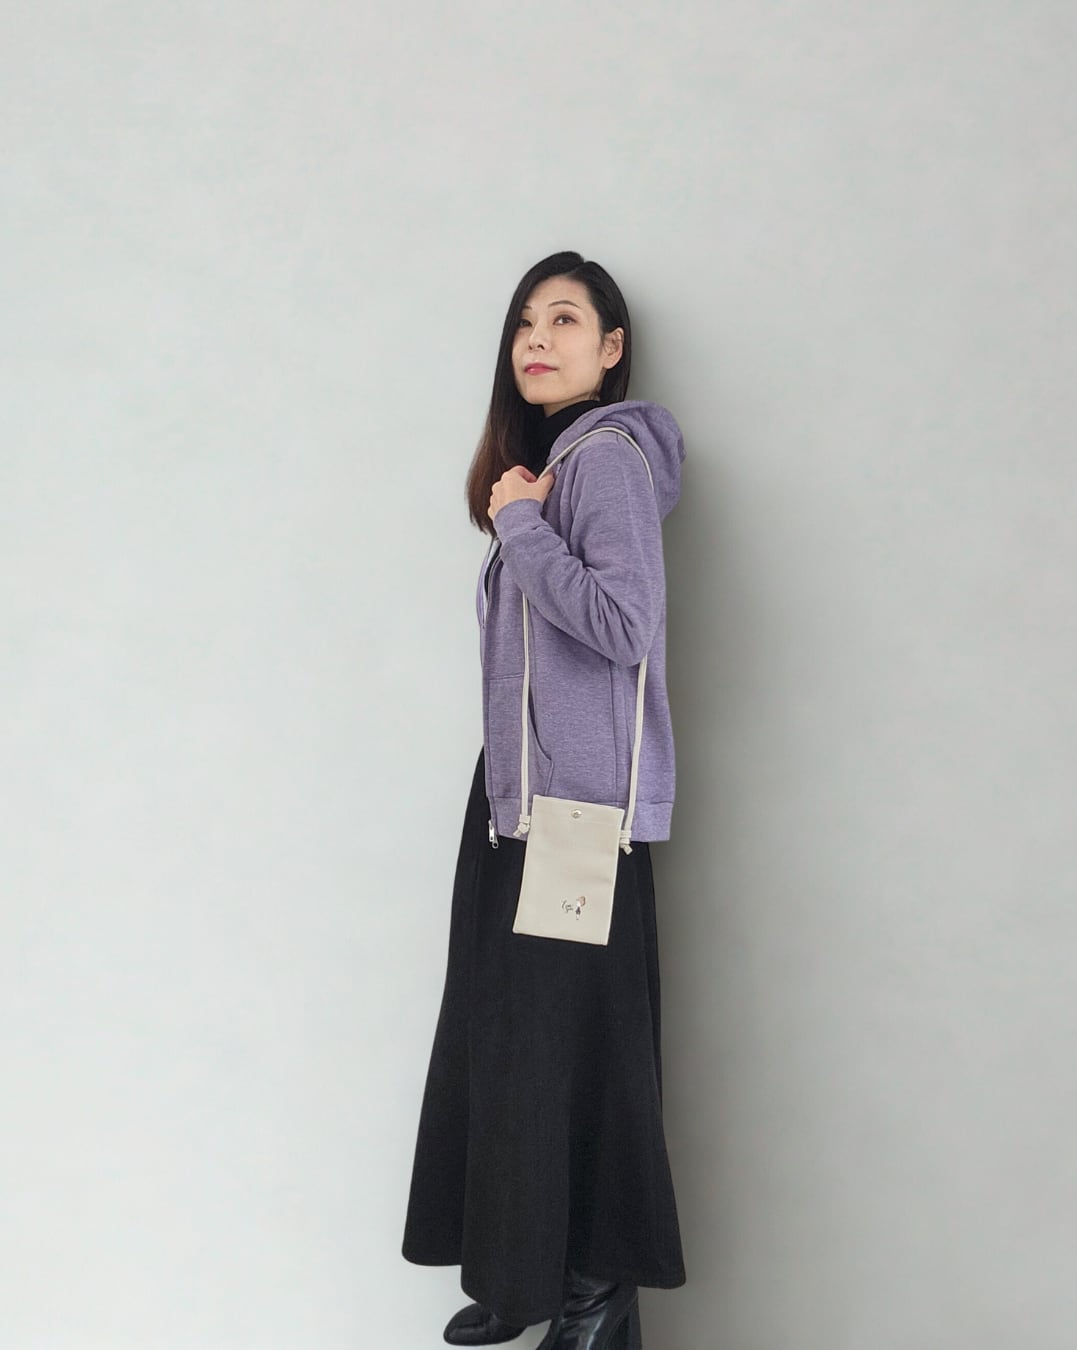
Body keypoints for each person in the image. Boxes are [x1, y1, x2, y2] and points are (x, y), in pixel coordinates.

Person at [401, 250, 686, 1350]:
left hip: (577, 815)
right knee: (514, 1041)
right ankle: (529, 1271)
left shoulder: (603, 460)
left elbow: (624, 624)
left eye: (564, 320)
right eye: (525, 321)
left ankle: (589, 1296)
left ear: (611, 349)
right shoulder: (553, 465)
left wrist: (521, 525)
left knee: (567, 1053)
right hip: (520, 801)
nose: (536, 339)